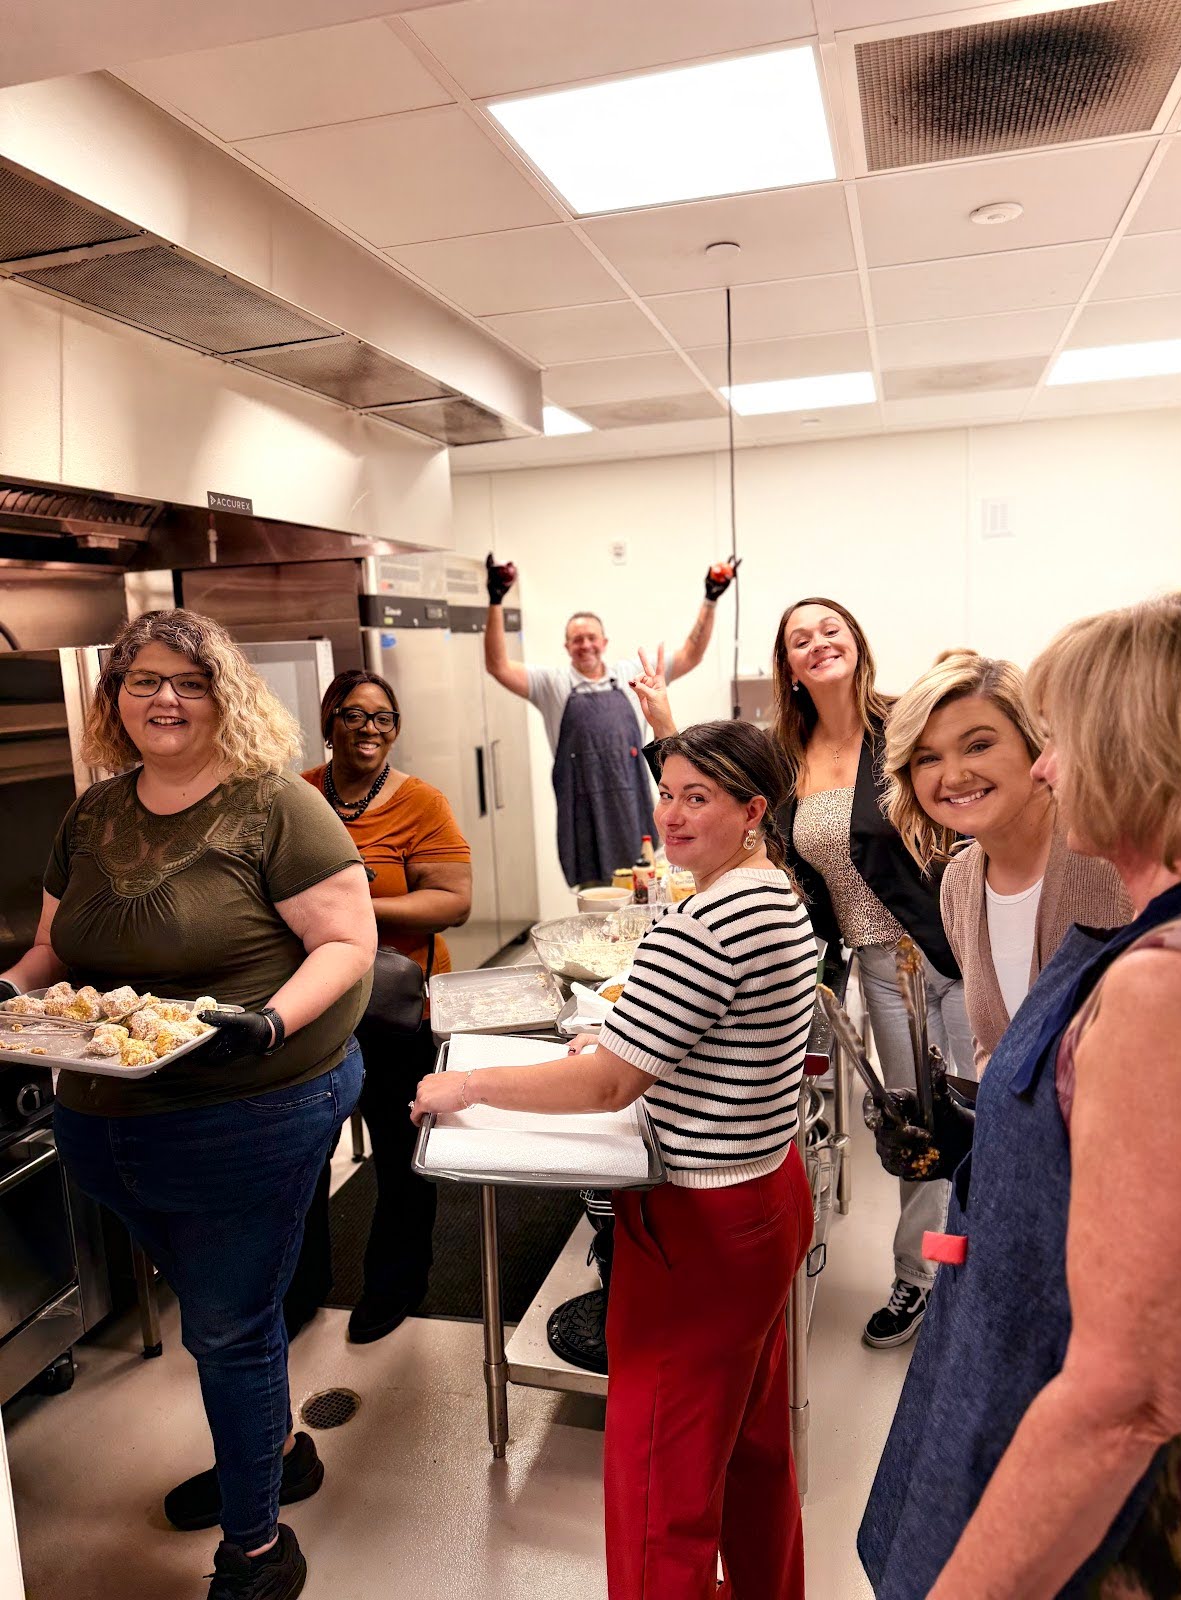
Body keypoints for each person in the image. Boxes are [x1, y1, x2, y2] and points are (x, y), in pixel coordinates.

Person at [0, 609, 375, 1600]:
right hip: (107, 1119)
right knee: (224, 1304)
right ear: (113, 700)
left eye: (190, 681)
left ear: (227, 695)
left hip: (252, 1104)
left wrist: (269, 1022)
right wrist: (11, 993)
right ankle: (277, 1448)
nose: (165, 698)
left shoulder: (276, 808)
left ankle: (257, 1549)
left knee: (226, 1324)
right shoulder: (91, 813)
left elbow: (348, 943)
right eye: (142, 681)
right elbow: (54, 950)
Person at [413, 720, 817, 1599]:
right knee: (749, 1445)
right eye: (666, 793)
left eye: (698, 798)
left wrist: (471, 1087)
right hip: (766, 1196)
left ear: (754, 809)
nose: (672, 816)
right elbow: (696, 1037)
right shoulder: (770, 891)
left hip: (701, 1226)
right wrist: (621, 1033)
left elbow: (606, 1089)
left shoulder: (710, 919)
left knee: (657, 1478)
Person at [858, 592, 1181, 1600]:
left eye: (1064, 741)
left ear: (1138, 750)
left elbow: (1126, 1395)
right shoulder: (971, 885)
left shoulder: (1157, 975)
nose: (1049, 767)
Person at [635, 597, 972, 1349]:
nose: (819, 643)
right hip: (883, 968)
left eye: (832, 629)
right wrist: (663, 720)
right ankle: (922, 1279)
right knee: (917, 1129)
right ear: (786, 665)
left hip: (960, 948)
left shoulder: (904, 724)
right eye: (800, 638)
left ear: (857, 639)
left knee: (989, 1123)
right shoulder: (785, 756)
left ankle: (986, 1280)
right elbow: (711, 789)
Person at [286, 669, 472, 1345]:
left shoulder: (420, 803)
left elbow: (453, 900)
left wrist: (349, 908)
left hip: (395, 1006)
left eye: (384, 719)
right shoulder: (294, 796)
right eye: (355, 716)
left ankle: (396, 1283)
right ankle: (301, 1288)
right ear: (330, 718)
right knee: (304, 1152)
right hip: (310, 1003)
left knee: (400, 1148)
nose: (370, 730)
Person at [882, 650, 1131, 1072]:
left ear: (1034, 743)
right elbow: (993, 1050)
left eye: (978, 746)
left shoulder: (1111, 854)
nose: (955, 776)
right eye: (928, 758)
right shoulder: (958, 884)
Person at [483, 550, 736, 886]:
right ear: (567, 646)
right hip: (582, 818)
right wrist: (495, 600)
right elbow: (498, 666)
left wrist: (710, 600)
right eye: (577, 640)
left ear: (604, 642)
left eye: (591, 638)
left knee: (644, 901)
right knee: (597, 908)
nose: (585, 645)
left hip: (632, 814)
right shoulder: (551, 685)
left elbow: (692, 654)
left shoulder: (632, 675)